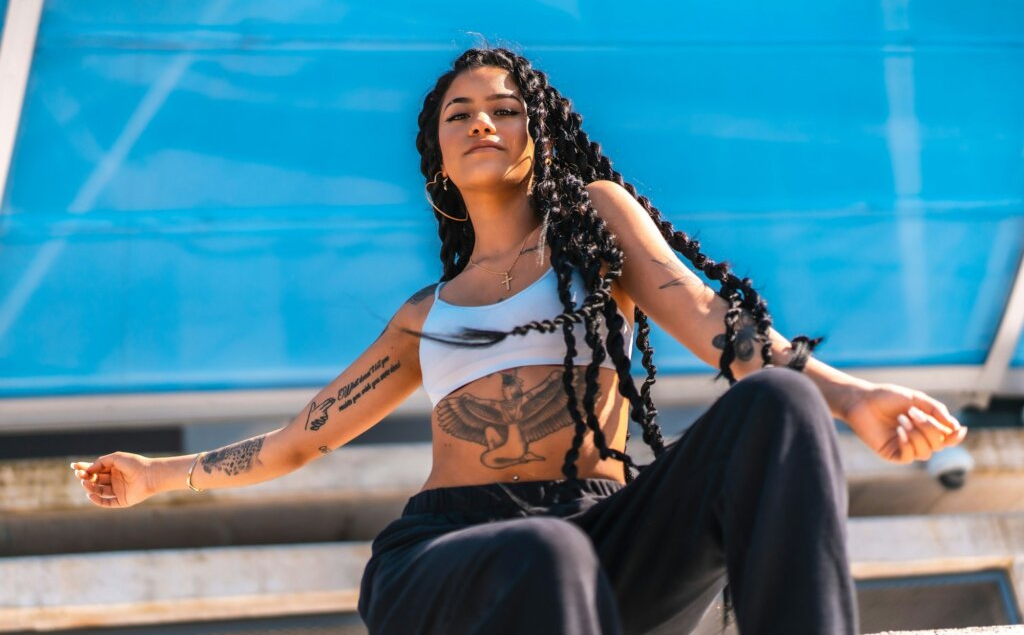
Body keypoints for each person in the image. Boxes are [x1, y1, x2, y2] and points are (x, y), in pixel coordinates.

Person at [70, 46, 968, 635]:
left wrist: (851, 395)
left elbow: (711, 320)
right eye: (460, 114)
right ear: (440, 155)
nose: (482, 124)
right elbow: (300, 439)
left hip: (600, 531)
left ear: (541, 137)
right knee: (542, 554)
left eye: (504, 110)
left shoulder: (599, 225)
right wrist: (156, 476)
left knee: (777, 405)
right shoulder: (425, 315)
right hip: (447, 560)